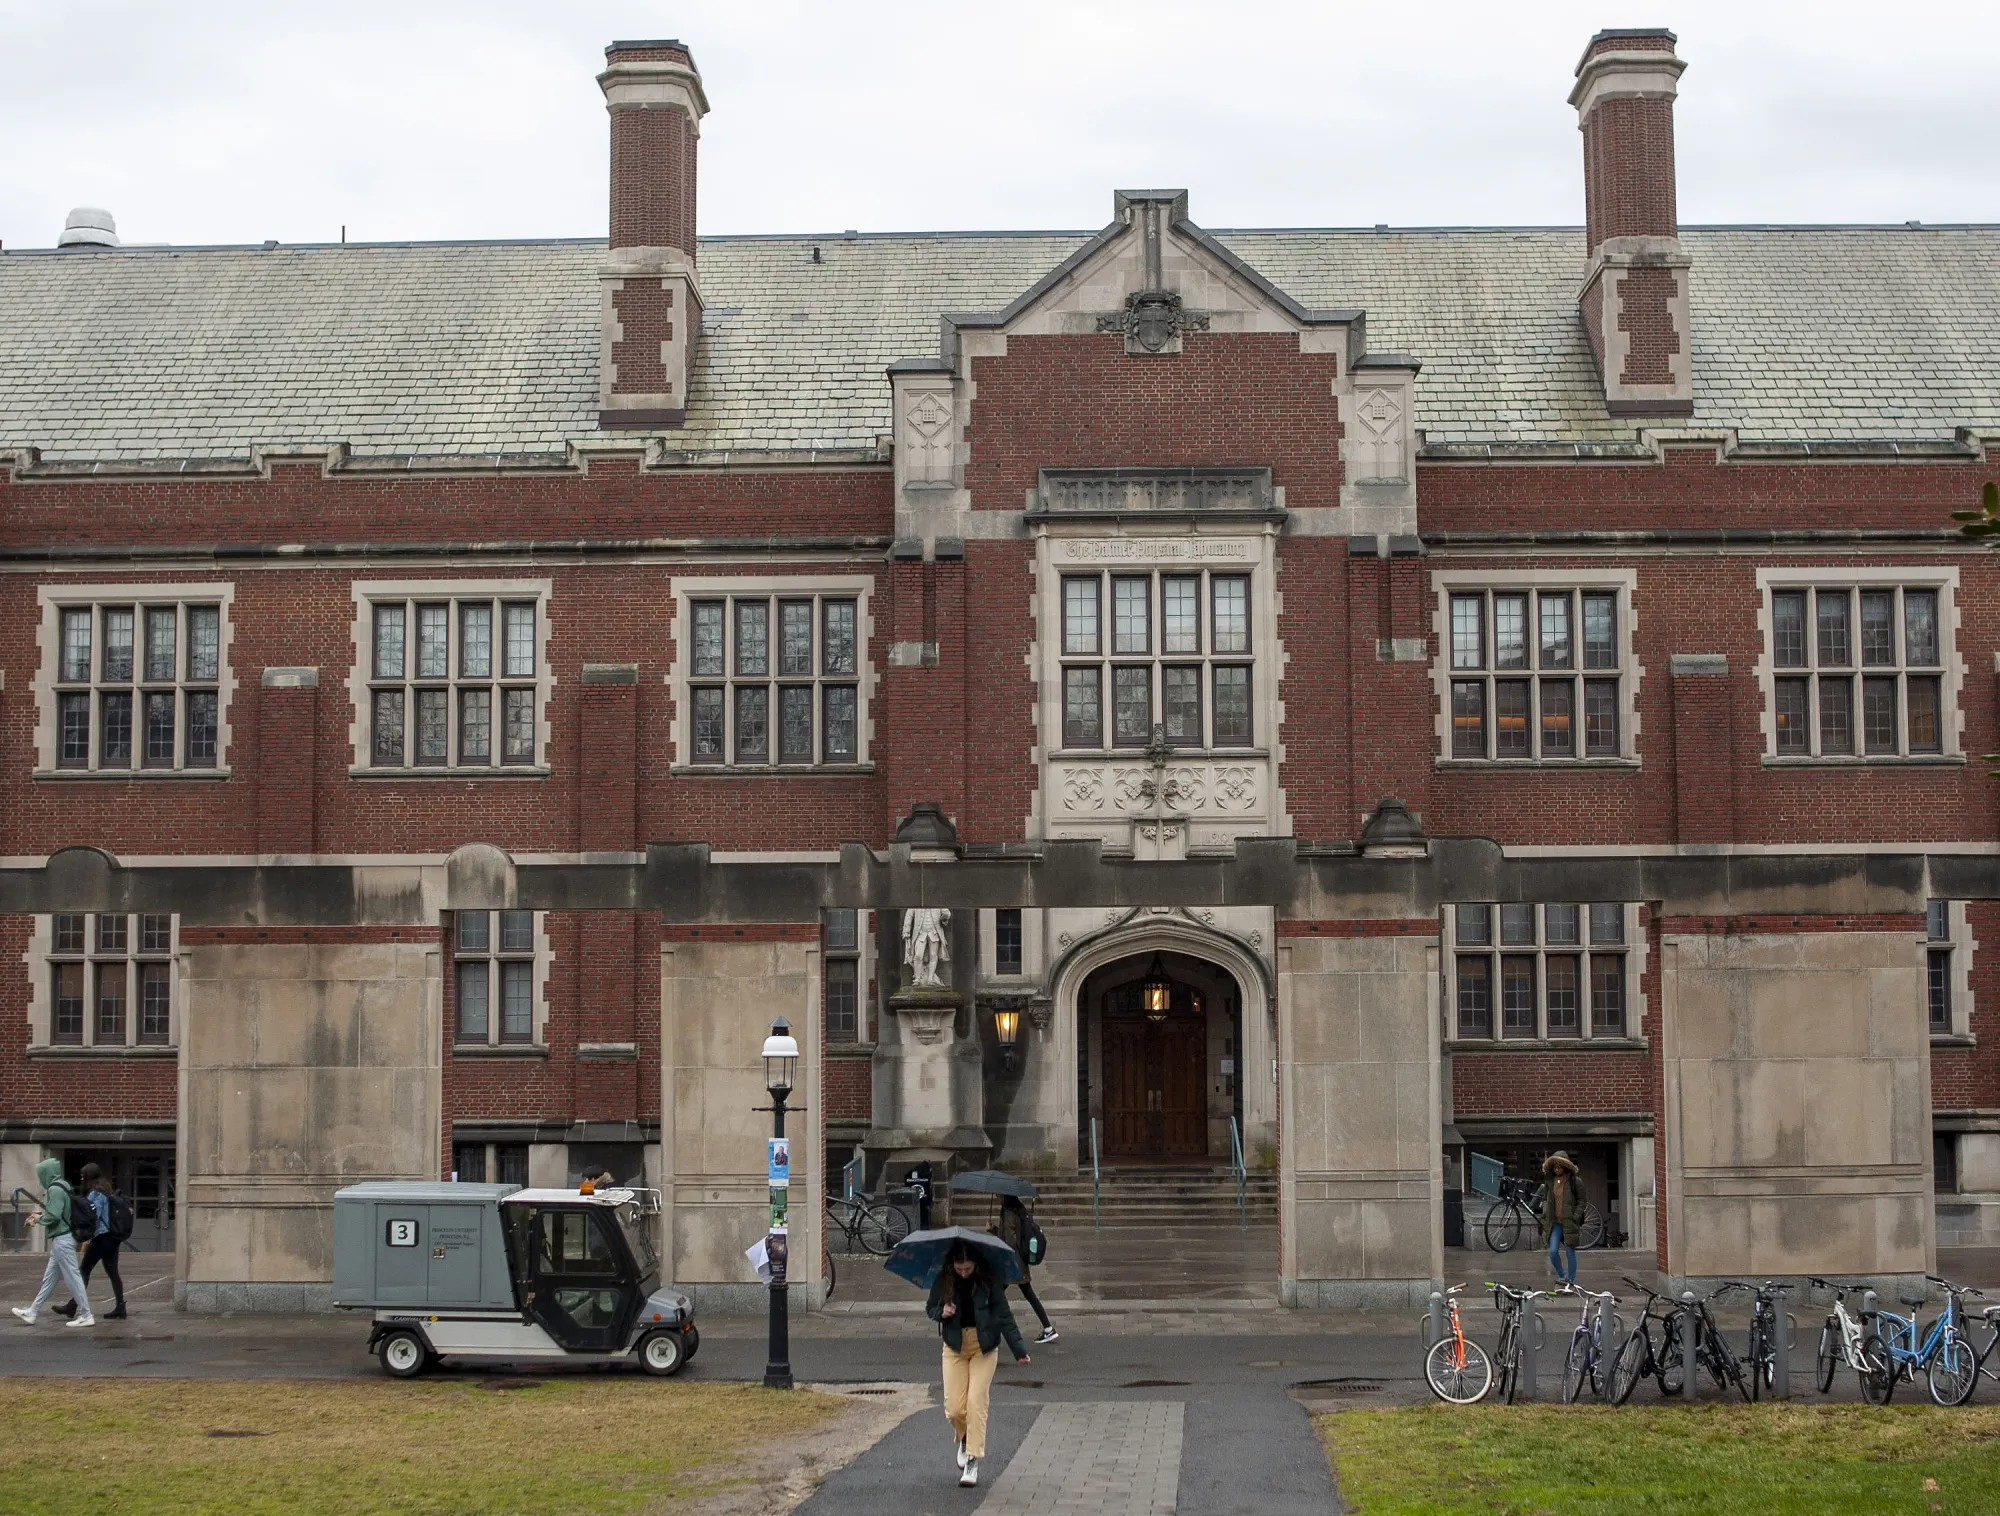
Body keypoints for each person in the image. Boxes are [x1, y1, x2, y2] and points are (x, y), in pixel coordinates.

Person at [926, 1243, 1030, 1489]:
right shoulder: (944, 1279)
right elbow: (930, 1307)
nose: (963, 1272)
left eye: (968, 1268)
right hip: (954, 1348)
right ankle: (964, 1440)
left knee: (976, 1402)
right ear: (952, 1265)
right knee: (954, 1409)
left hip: (984, 1347)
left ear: (976, 1265)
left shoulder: (988, 1279)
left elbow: (1004, 1315)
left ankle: (972, 1459)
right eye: (959, 1268)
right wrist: (943, 1312)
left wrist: (1019, 1350)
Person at [10, 1158, 93, 1328]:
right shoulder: (63, 1185)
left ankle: (86, 1314)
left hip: (62, 1239)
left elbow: (54, 1215)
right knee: (50, 1278)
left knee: (73, 1278)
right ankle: (32, 1311)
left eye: (41, 1174)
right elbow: (60, 1211)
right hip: (63, 1239)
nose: (40, 1178)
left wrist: (38, 1219)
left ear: (46, 1174)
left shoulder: (54, 1189)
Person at [55, 1164, 125, 1321]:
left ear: (89, 1176)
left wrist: (81, 1232)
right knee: (113, 1272)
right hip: (112, 1238)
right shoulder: (106, 1189)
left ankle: (72, 1306)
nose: (81, 1179)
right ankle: (121, 1307)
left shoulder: (96, 1193)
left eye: (82, 1176)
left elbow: (92, 1216)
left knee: (84, 1270)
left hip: (101, 1238)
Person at [996, 1193, 1057, 1343]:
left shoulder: (1008, 1212)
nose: (997, 1197)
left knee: (994, 1292)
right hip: (1018, 1261)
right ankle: (1048, 1329)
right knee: (1027, 1293)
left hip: (1012, 1262)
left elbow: (1010, 1241)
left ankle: (981, 1327)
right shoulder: (1017, 1209)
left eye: (999, 1195)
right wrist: (994, 1230)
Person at [1540, 1151, 1583, 1286]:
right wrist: (1545, 1216)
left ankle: (1570, 1280)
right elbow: (1546, 1200)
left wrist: (1575, 1216)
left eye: (1559, 1165)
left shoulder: (1574, 1181)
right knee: (1552, 1251)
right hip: (1555, 1223)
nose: (1556, 1168)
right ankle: (1561, 1276)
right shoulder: (1550, 1181)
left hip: (1569, 1221)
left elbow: (1582, 1201)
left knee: (1570, 1252)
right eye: (1554, 1166)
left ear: (1565, 1166)